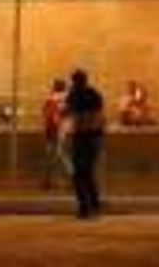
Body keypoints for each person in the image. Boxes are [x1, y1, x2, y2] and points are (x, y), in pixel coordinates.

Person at [65, 69, 105, 218]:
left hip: (81, 137)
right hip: (93, 137)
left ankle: (84, 206)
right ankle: (94, 203)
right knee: (88, 172)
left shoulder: (74, 95)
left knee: (78, 174)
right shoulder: (95, 94)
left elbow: (68, 112)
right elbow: (100, 117)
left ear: (75, 81)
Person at [42, 78, 71, 188]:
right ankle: (52, 178)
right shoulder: (67, 97)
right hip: (62, 128)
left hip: (53, 128)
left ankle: (49, 179)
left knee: (52, 153)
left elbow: (47, 113)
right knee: (59, 153)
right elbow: (66, 112)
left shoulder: (52, 98)